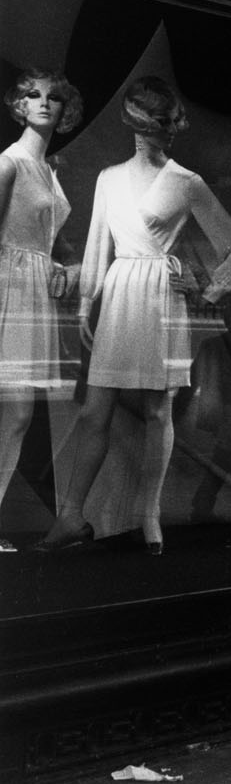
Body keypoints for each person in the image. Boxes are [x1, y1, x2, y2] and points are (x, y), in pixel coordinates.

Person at [35, 76, 231, 556]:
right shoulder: (109, 178)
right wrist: (88, 300)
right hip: (121, 293)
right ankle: (71, 516)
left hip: (160, 297)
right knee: (95, 410)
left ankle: (150, 516)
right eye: (145, 122)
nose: (151, 133)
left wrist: (205, 288)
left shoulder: (186, 183)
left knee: (156, 410)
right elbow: (98, 245)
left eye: (159, 124)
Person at [0, 69, 82, 551]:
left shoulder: (47, 169)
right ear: (19, 104)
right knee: (14, 415)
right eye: (33, 95)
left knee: (17, 416)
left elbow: (47, 239)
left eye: (53, 97)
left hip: (33, 291)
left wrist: (65, 268)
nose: (44, 103)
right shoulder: (9, 164)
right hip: (8, 290)